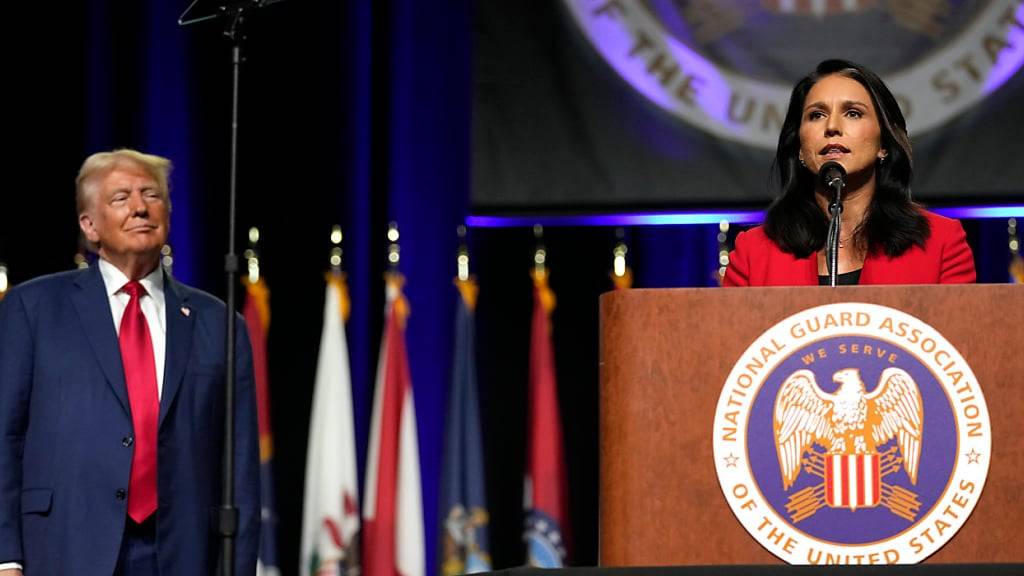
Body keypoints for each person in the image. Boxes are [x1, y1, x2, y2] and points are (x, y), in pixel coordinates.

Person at [0, 149, 259, 574]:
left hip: (184, 553)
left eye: (151, 194)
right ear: (89, 225)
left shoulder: (219, 323)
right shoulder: (34, 309)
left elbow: (241, 467)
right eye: (121, 197)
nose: (140, 207)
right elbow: (4, 439)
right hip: (65, 546)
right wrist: (6, 556)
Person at [723, 59, 976, 286]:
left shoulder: (941, 243)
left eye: (853, 113)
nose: (832, 127)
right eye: (816, 115)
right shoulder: (753, 253)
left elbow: (958, 337)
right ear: (799, 148)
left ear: (884, 146)